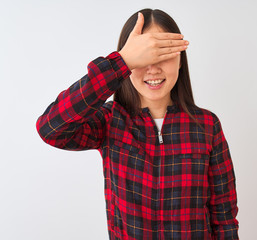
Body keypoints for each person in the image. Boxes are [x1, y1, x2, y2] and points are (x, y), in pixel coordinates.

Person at [36, 8, 239, 240]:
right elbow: (50, 127)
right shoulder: (110, 121)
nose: (153, 68)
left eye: (162, 54)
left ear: (180, 59)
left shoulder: (206, 126)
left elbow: (224, 219)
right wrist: (120, 62)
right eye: (143, 57)